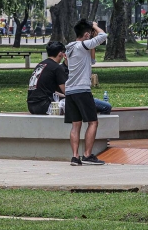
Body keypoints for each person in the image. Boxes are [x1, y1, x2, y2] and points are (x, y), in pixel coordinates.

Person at [65, 19, 108, 166]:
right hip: (82, 90)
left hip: (70, 91)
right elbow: (103, 36)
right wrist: (96, 26)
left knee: (75, 125)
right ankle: (87, 155)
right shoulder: (83, 45)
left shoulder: (70, 48)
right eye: (90, 34)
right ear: (86, 34)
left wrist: (91, 39)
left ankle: (75, 157)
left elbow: (91, 61)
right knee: (93, 122)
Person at [26, 41, 67, 115]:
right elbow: (67, 91)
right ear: (60, 53)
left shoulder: (40, 65)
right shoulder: (57, 67)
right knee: (90, 103)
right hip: (46, 106)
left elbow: (45, 90)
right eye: (63, 52)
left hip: (32, 106)